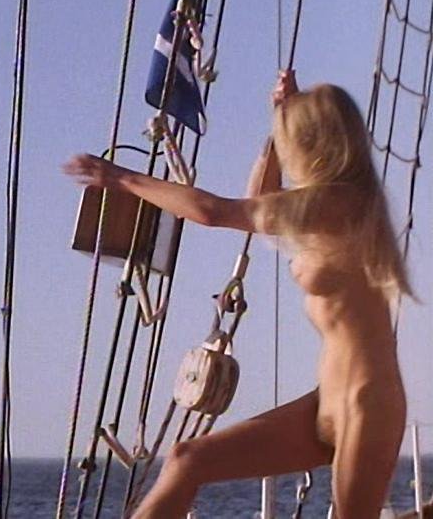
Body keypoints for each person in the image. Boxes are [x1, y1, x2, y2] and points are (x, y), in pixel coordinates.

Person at [63, 71, 411, 519]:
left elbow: (214, 212)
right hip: (326, 401)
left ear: (314, 143)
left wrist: (121, 178)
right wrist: (278, 123)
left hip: (368, 405)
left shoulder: (344, 204)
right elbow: (262, 201)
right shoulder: (324, 209)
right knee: (188, 460)